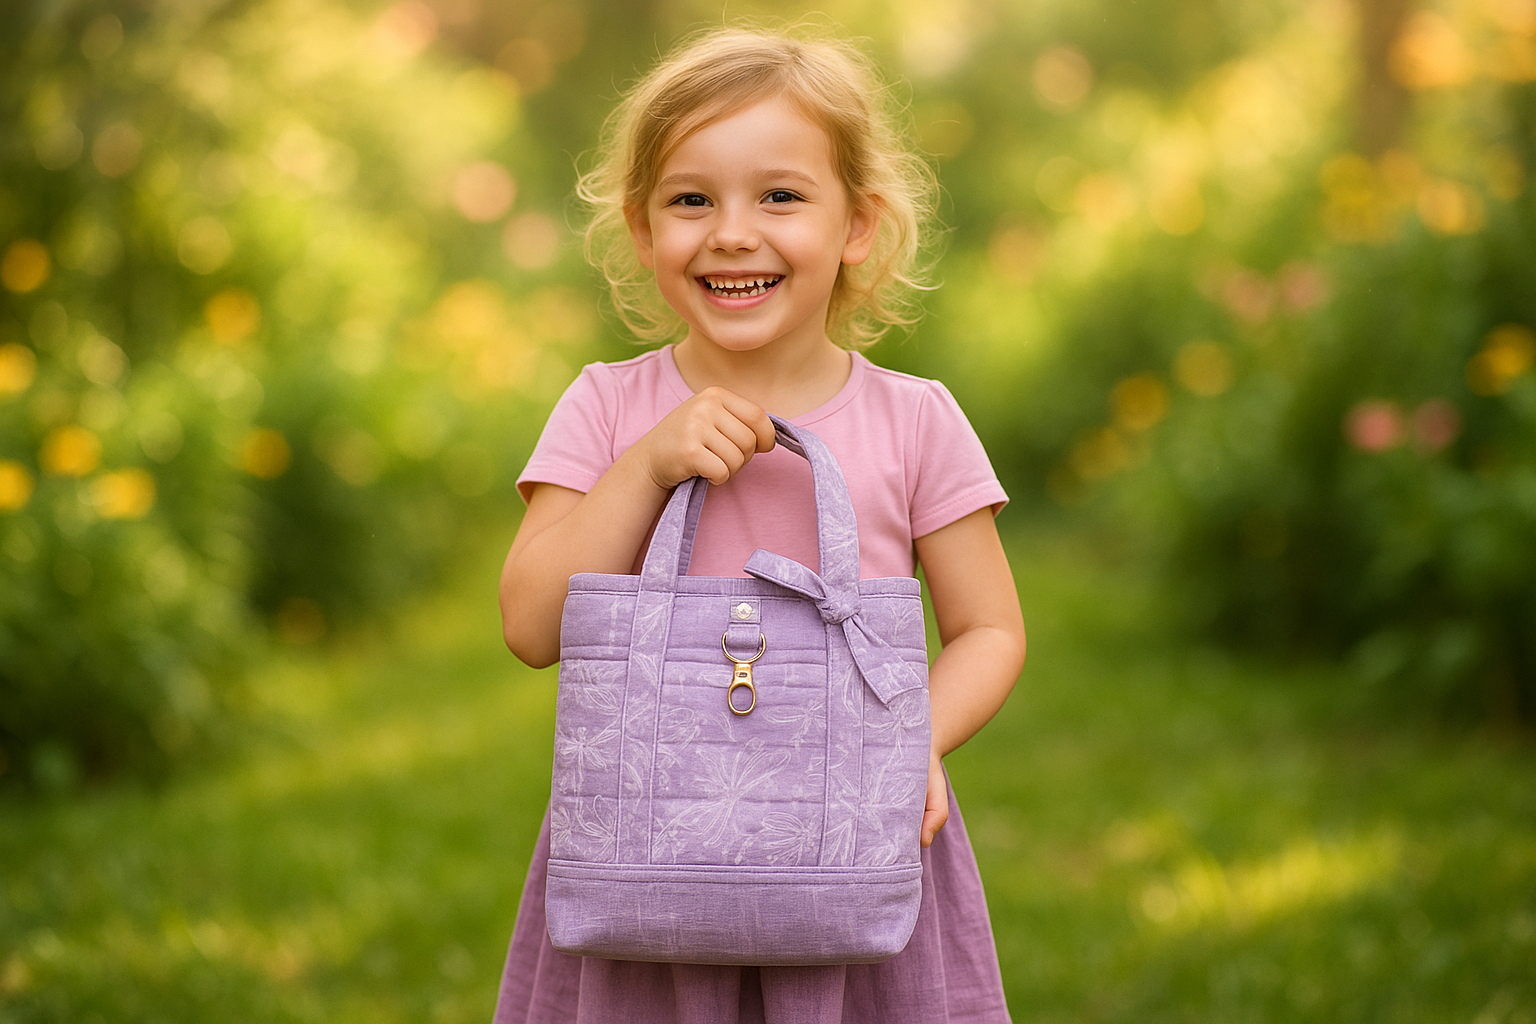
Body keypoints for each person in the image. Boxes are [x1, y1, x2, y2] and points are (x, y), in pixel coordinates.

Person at [493, 24, 1026, 1024]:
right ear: (645, 231)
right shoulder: (607, 408)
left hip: (853, 842)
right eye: (691, 199)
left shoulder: (914, 419)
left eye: (780, 196)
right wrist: (646, 464)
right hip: (647, 849)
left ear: (857, 225)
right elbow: (529, 626)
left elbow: (992, 629)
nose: (733, 232)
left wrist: (915, 743)